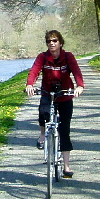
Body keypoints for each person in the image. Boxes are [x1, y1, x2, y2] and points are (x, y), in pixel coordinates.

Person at [25, 30, 85, 178]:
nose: (51, 43)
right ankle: (42, 135)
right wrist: (29, 84)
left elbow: (76, 72)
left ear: (60, 43)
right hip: (47, 93)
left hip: (64, 95)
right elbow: (34, 71)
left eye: (54, 41)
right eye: (49, 41)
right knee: (43, 112)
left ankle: (66, 166)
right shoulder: (42, 57)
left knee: (64, 130)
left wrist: (79, 86)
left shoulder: (68, 57)